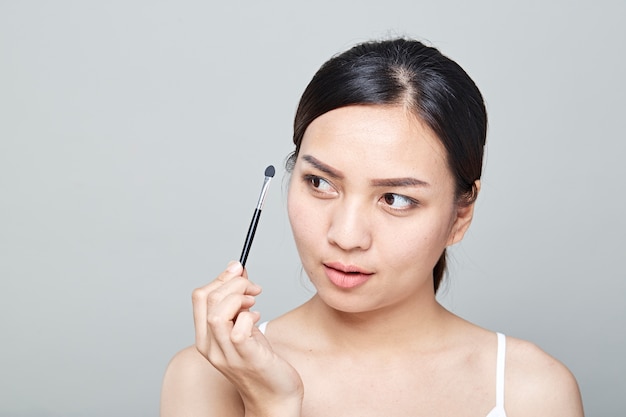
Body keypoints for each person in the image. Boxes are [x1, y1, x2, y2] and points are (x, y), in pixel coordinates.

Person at [160, 38, 584, 417]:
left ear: (460, 216)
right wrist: (271, 405)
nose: (345, 236)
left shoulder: (532, 392)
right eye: (320, 183)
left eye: (396, 199)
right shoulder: (205, 377)